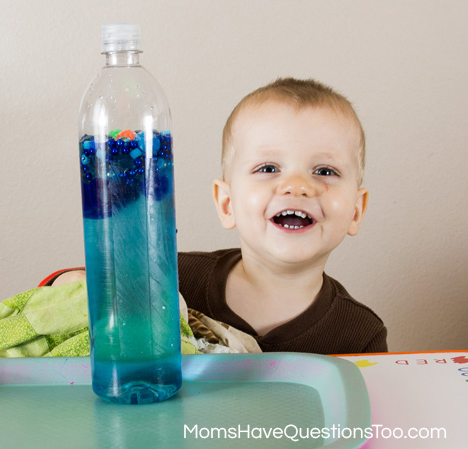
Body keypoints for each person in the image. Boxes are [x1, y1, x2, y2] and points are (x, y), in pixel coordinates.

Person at [46, 77, 387, 354]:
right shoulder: (168, 281)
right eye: (268, 168)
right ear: (226, 204)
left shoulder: (359, 335)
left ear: (356, 211)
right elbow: (55, 308)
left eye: (325, 171)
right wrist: (75, 285)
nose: (296, 186)